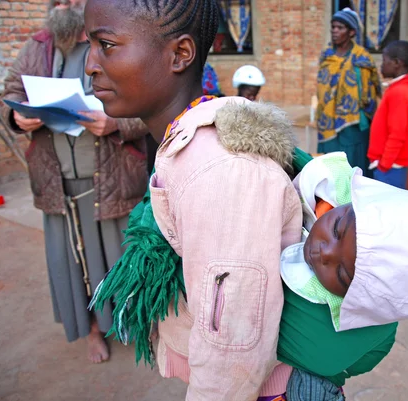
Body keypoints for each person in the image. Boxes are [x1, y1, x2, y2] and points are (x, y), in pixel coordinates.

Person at [84, 0, 303, 399]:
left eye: (107, 45)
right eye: (90, 45)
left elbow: (233, 354)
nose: (90, 65)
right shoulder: (185, 142)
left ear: (180, 54)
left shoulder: (222, 172)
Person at [0, 0, 149, 363]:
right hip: (58, 181)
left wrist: (115, 123)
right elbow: (10, 95)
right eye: (59, 1)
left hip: (111, 178)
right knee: (73, 263)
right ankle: (93, 330)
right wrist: (19, 119)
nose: (66, 5)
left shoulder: (118, 39)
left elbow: (151, 106)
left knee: (120, 260)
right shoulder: (37, 46)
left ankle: (132, 326)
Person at [276, 152, 408, 398]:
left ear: (358, 300)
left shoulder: (322, 339)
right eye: (337, 229)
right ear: (354, 202)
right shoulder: (326, 187)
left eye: (343, 273)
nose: (325, 253)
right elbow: (287, 150)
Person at [316, 7, 381, 177]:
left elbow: (369, 92)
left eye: (340, 28)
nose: (335, 31)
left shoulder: (362, 58)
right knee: (330, 166)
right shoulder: (327, 55)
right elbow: (322, 87)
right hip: (328, 120)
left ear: (351, 32)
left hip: (352, 122)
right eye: (333, 27)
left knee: (353, 164)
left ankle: (353, 199)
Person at [367, 40, 408, 189]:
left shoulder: (399, 93)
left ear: (396, 63)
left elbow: (397, 134)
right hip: (390, 165)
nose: (381, 65)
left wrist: (384, 165)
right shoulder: (399, 87)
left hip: (390, 167)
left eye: (384, 61)